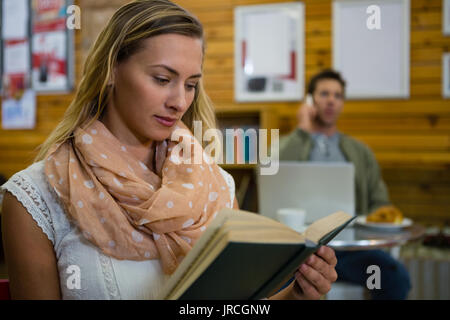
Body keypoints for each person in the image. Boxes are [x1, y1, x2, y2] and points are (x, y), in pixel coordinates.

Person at [0, 0, 337, 300]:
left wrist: (298, 295)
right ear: (111, 70)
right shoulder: (34, 199)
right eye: (162, 79)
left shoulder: (217, 186)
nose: (179, 102)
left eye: (191, 85)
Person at [279, 69, 411, 300]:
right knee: (281, 286)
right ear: (310, 100)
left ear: (342, 103)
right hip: (299, 255)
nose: (331, 100)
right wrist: (302, 130)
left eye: (337, 95)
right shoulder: (291, 144)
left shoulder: (360, 152)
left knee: (394, 276)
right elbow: (269, 169)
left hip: (351, 255)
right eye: (324, 94)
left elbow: (381, 205)